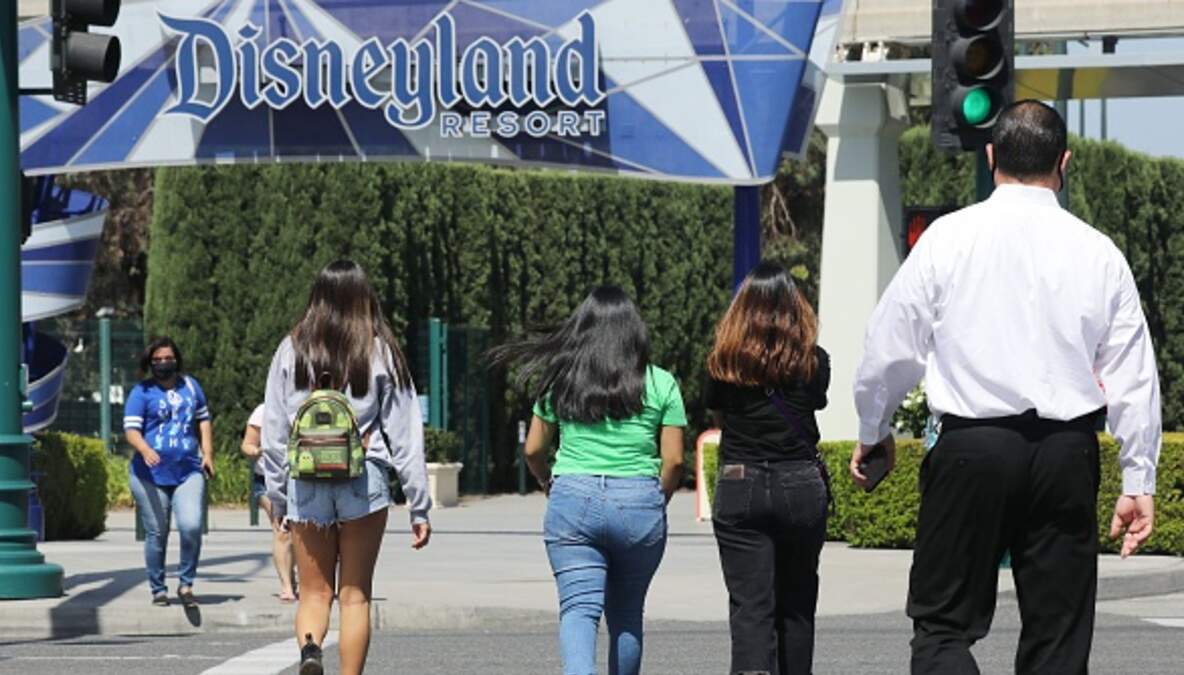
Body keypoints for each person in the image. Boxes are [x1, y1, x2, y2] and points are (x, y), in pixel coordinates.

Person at [851, 100, 1161, 674]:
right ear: (1064, 162)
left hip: (971, 448)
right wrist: (1138, 477)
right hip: (1066, 453)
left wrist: (874, 428)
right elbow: (1133, 374)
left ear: (991, 156)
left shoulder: (947, 239)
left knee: (942, 628)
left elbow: (888, 346)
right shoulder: (1099, 252)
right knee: (1058, 641)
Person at [493, 286, 687, 675]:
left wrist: (547, 483)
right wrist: (656, 498)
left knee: (578, 610)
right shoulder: (661, 382)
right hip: (638, 501)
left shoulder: (562, 381)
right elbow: (674, 461)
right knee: (627, 614)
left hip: (572, 499)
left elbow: (532, 449)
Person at [261, 259, 432, 675]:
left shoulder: (292, 348)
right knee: (355, 595)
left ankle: (310, 648)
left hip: (305, 480)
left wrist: (278, 497)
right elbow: (405, 433)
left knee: (313, 594)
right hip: (363, 474)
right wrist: (419, 504)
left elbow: (275, 431)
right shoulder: (379, 349)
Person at [704, 261, 831, 675]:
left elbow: (720, 417)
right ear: (796, 308)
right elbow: (814, 403)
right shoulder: (814, 361)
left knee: (750, 607)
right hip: (799, 481)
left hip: (740, 480)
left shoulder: (723, 362)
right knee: (797, 604)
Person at [124, 336, 215, 609]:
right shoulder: (142, 392)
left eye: (168, 358)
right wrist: (145, 449)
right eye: (157, 360)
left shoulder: (191, 386)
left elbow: (203, 419)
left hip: (188, 471)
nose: (163, 363)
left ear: (176, 360)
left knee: (191, 526)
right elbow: (131, 430)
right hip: (149, 476)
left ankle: (186, 584)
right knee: (157, 532)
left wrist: (208, 453)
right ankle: (158, 588)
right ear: (150, 363)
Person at [241, 403, 297, 602]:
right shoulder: (263, 411)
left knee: (298, 533)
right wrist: (257, 451)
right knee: (282, 530)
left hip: (300, 478)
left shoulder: (305, 406)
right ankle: (287, 585)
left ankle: (292, 573)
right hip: (267, 479)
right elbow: (247, 444)